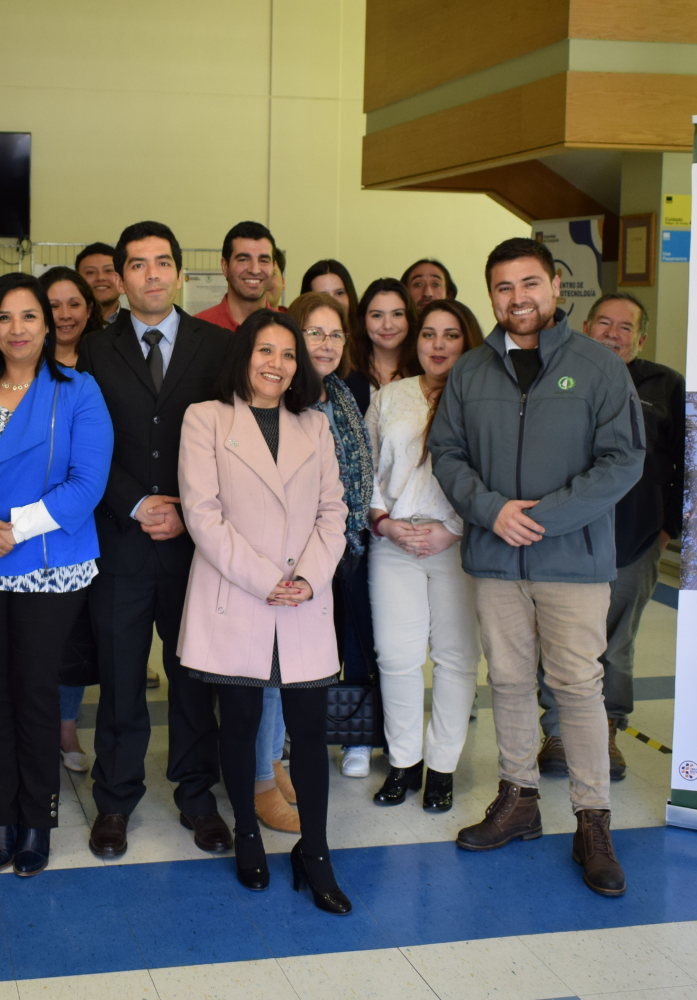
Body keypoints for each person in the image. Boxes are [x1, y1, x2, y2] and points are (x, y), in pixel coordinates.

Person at [427, 237, 644, 897]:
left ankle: (592, 820)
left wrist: (544, 517)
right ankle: (519, 799)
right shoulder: (471, 371)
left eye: (529, 284)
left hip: (571, 560)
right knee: (513, 683)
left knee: (578, 687)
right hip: (496, 557)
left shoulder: (599, 367)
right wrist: (492, 511)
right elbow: (447, 453)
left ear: (554, 286)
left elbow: (622, 461)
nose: (517, 299)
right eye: (502, 287)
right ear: (490, 295)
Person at [0, 272, 113, 876]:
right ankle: (1, 819)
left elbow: (86, 485)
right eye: (5, 317)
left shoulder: (78, 391)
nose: (17, 329)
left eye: (29, 316)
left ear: (48, 323)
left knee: (33, 693)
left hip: (47, 566)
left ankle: (38, 820)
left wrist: (11, 529)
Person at [176, 309, 350, 912]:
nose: (277, 364)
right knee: (242, 724)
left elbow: (334, 512)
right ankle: (246, 835)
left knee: (308, 733)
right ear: (244, 355)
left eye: (288, 355)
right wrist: (265, 578)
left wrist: (304, 577)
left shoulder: (316, 426)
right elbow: (202, 514)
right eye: (265, 351)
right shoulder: (206, 418)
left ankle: (317, 852)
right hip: (238, 594)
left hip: (302, 598)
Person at [80, 221, 233, 859]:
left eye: (161, 262)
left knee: (192, 674)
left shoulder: (218, 347)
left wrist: (186, 510)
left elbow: (230, 442)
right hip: (119, 541)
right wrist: (137, 502)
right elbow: (86, 447)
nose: (150, 274)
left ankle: (196, 797)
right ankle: (115, 800)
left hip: (194, 547)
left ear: (180, 273)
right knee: (119, 680)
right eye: (136, 265)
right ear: (119, 276)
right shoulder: (89, 351)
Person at [537, 293, 682, 781]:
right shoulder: (558, 372)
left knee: (616, 644)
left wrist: (668, 531)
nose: (613, 333)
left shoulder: (666, 386)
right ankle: (557, 731)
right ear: (585, 326)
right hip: (563, 538)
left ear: (641, 339)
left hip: (634, 540)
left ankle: (608, 729)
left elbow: (689, 466)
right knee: (559, 640)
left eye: (626, 327)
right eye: (604, 322)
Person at [365, 298, 485, 811]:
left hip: (458, 542)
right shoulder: (390, 397)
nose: (438, 345)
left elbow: (494, 477)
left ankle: (442, 768)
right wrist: (385, 522)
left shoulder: (486, 398)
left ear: (468, 341)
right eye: (429, 334)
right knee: (397, 656)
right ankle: (404, 762)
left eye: (451, 335)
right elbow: (363, 468)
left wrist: (453, 530)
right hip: (392, 542)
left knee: (456, 658)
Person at [291, 291, 377, 780]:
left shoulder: (343, 392)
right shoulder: (283, 394)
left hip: (351, 542)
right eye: (315, 333)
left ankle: (354, 737)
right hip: (299, 549)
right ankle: (288, 739)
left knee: (355, 641)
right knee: (302, 651)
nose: (326, 344)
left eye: (336, 334)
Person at [41, 265, 106, 770]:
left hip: (100, 515)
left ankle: (67, 728)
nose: (64, 314)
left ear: (91, 308)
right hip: (36, 519)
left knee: (81, 630)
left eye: (73, 304)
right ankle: (33, 726)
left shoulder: (105, 362)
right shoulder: (21, 361)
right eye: (53, 304)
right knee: (43, 630)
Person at [344, 277, 418, 412]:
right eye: (377, 315)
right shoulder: (346, 375)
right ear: (364, 322)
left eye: (397, 314)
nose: (388, 325)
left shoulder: (424, 370)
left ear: (409, 319)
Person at [193, 221, 278, 333]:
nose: (254, 270)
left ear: (274, 267)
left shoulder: (287, 329)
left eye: (263, 260)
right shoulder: (197, 328)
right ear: (225, 266)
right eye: (243, 260)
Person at [75, 241, 123, 324]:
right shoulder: (68, 324)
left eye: (108, 270)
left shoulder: (138, 324)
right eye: (90, 272)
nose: (101, 278)